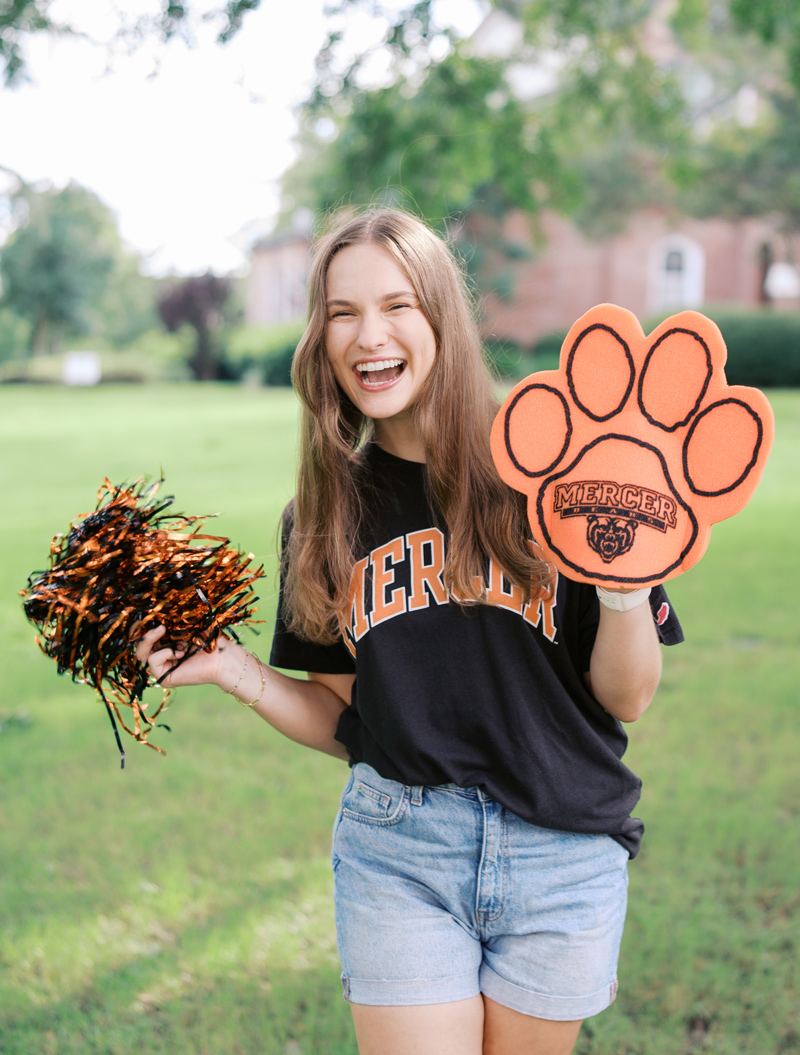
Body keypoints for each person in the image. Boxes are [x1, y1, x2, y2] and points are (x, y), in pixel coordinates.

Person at [136, 208, 683, 1055]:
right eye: (342, 312)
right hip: (400, 848)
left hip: (562, 846)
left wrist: (621, 589)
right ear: (319, 338)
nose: (368, 335)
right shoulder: (322, 517)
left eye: (397, 305)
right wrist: (239, 672)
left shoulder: (561, 469)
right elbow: (352, 720)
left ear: (442, 317)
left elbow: (629, 695)